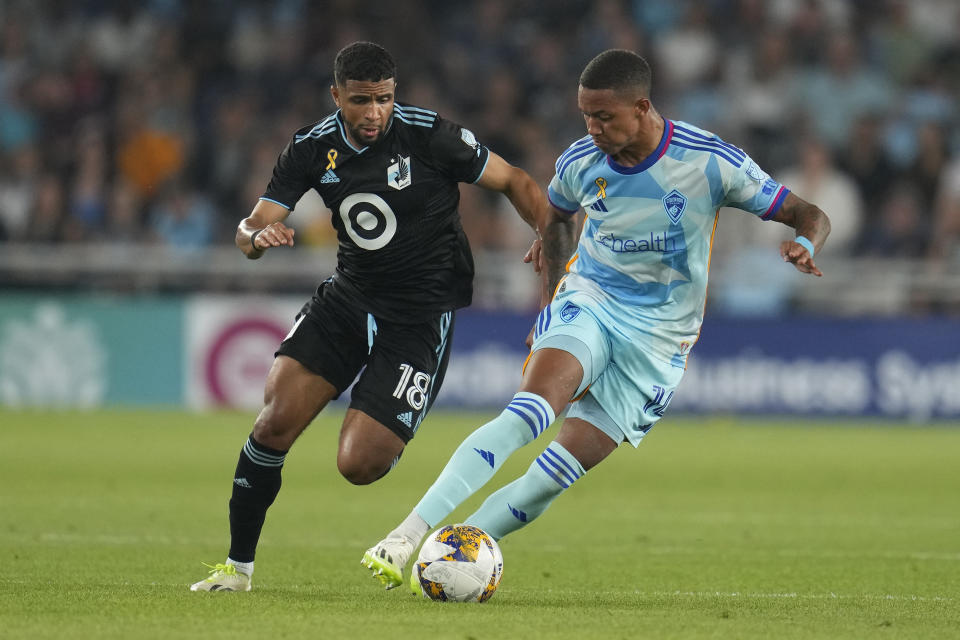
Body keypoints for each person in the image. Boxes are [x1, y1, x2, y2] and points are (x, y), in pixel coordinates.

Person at [361, 49, 831, 590]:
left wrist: (802, 241)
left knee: (548, 480)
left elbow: (807, 212)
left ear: (643, 107)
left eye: (605, 116)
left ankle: (453, 554)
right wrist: (556, 292)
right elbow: (557, 217)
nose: (593, 128)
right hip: (592, 302)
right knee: (529, 413)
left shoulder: (710, 161)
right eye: (586, 115)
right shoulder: (581, 160)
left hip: (659, 342)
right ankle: (406, 535)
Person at [190, 41, 549, 592]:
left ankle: (395, 423)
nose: (373, 112)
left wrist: (549, 238)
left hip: (420, 315)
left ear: (394, 94)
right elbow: (250, 226)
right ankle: (237, 570)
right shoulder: (311, 149)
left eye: (383, 99)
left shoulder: (432, 136)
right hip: (349, 298)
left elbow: (517, 182)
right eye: (360, 100)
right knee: (273, 422)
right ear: (337, 96)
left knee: (360, 465)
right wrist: (256, 238)